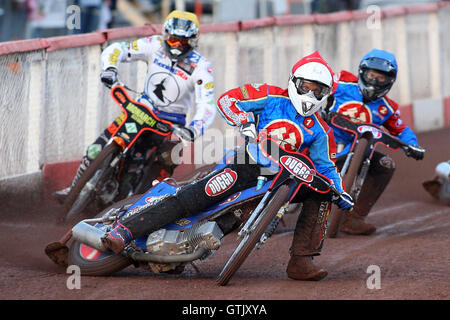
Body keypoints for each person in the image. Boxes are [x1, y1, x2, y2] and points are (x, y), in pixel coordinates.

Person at [101, 51, 354, 281]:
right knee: (199, 196)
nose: (310, 95)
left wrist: (340, 190)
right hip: (249, 163)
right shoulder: (270, 95)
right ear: (293, 81)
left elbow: (327, 166)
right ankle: (125, 230)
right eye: (306, 87)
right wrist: (243, 120)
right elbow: (227, 100)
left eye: (317, 91)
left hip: (285, 179)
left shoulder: (320, 131)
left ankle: (302, 261)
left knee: (323, 193)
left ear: (325, 95)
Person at [53, 10, 216, 202]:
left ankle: (150, 202)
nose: (177, 46)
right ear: (165, 35)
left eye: (183, 41)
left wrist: (194, 129)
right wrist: (110, 69)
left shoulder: (202, 66)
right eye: (173, 39)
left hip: (170, 123)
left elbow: (207, 104)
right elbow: (118, 49)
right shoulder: (154, 44)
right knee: (94, 151)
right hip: (140, 110)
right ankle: (74, 188)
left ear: (194, 39)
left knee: (169, 158)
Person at [322, 48, 425, 235]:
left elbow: (401, 129)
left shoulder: (388, 108)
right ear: (362, 73)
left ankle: (355, 218)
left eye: (381, 79)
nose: (375, 82)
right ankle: (267, 202)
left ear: (390, 82)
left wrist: (412, 145)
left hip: (358, 151)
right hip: (323, 141)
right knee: (285, 148)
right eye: (371, 75)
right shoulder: (340, 83)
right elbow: (315, 87)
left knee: (386, 164)